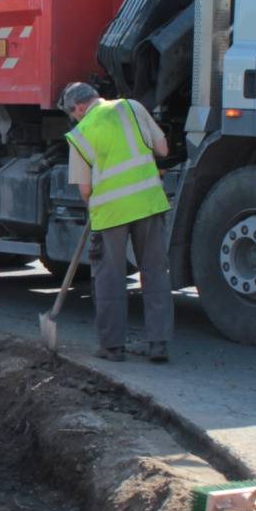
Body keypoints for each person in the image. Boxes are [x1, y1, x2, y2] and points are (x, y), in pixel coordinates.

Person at [58, 82, 174, 363]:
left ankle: (113, 347)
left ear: (81, 107)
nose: (75, 119)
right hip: (149, 203)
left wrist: (96, 207)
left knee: (110, 278)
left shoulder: (81, 134)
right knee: (155, 272)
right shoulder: (132, 107)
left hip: (110, 214)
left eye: (73, 114)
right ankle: (158, 344)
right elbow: (163, 148)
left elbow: (85, 190)